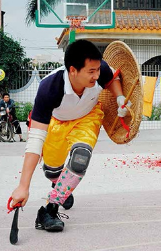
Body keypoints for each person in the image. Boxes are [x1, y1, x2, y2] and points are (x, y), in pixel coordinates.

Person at [10, 40, 131, 232]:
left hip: (87, 118)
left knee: (81, 158)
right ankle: (60, 183)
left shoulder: (100, 70)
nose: (96, 75)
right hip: (56, 123)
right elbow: (35, 141)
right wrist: (23, 186)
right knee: (52, 171)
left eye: (98, 70)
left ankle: (49, 210)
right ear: (73, 70)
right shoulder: (49, 88)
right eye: (91, 72)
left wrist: (119, 98)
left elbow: (111, 79)